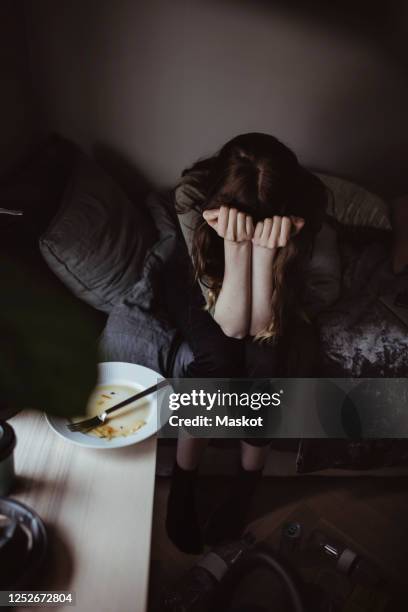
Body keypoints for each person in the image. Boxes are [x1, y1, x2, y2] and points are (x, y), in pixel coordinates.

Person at [163, 133, 340, 554]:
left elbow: (258, 326)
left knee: (267, 364)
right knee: (218, 361)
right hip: (198, 282)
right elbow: (230, 327)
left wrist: (263, 255)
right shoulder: (193, 197)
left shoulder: (310, 210)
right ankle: (183, 479)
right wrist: (236, 246)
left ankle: (247, 482)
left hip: (279, 294)